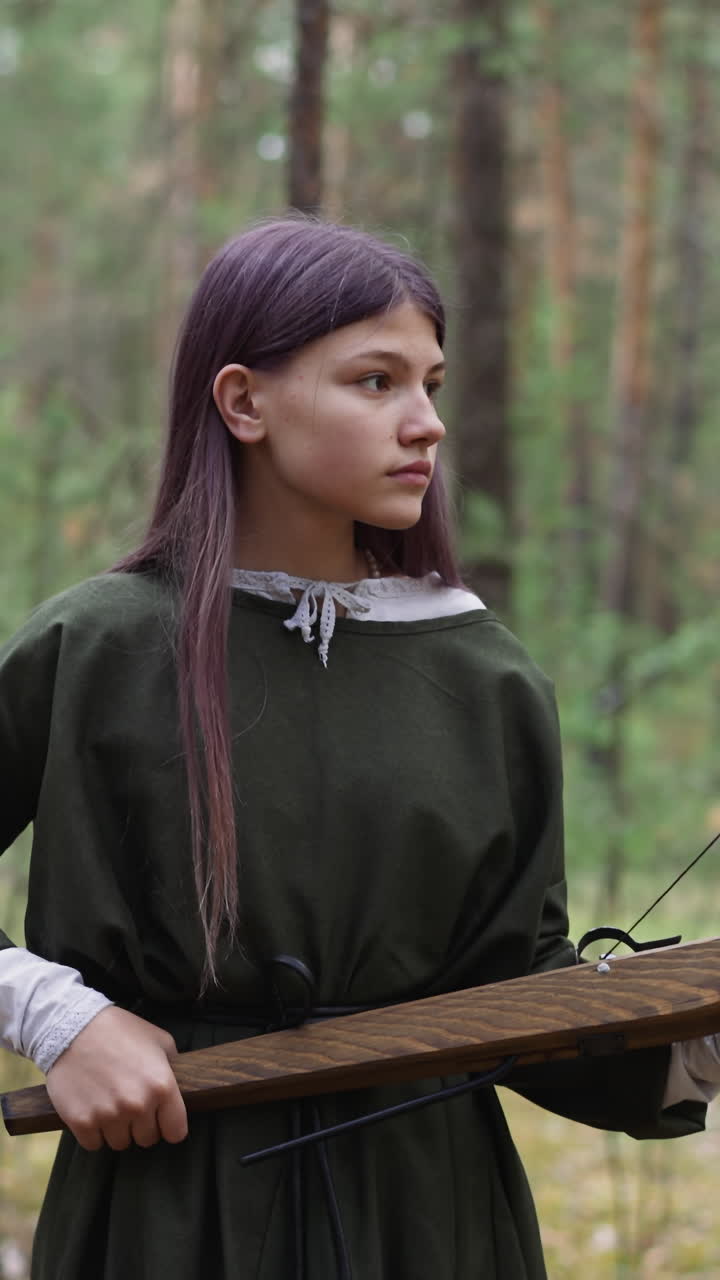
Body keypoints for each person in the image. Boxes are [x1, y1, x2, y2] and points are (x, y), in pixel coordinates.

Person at [0, 217, 718, 1280]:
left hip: (431, 1212)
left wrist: (694, 1023)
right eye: (376, 381)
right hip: (168, 1204)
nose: (427, 422)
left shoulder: (484, 673)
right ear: (243, 402)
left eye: (431, 383)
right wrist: (60, 1019)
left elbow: (515, 992)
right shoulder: (97, 646)